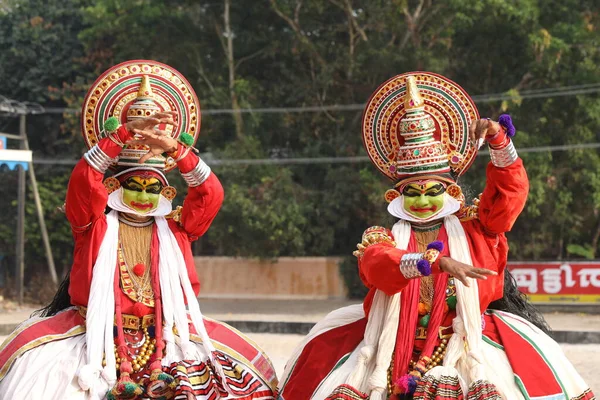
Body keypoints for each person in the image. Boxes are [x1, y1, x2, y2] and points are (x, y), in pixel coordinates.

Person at [278, 73, 595, 400]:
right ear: (396, 197)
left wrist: (499, 142)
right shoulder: (382, 238)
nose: (423, 201)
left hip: (464, 339)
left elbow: (509, 195)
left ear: (451, 191)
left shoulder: (476, 228)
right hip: (389, 339)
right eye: (412, 193)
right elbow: (376, 266)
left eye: (433, 191)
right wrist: (435, 262)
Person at [0, 60, 276, 400]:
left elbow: (210, 195)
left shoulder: (177, 229)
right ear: (115, 186)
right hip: (94, 337)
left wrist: (177, 151)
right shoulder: (94, 224)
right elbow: (83, 183)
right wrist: (123, 135)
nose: (144, 195)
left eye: (152, 188)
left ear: (167, 193)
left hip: (167, 341)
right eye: (135, 185)